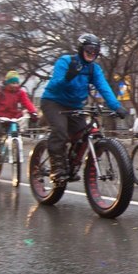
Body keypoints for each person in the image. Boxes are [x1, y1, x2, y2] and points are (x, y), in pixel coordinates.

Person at [41, 33, 128, 182]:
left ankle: (71, 165)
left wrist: (116, 106)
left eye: (96, 51)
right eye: (89, 49)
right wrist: (67, 77)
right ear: (81, 49)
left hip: (75, 105)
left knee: (81, 134)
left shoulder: (94, 69)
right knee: (60, 130)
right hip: (53, 101)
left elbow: (103, 87)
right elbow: (54, 84)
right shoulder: (65, 62)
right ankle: (57, 168)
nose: (92, 53)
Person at [0, 70, 38, 164]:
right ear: (7, 82)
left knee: (16, 132)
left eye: (17, 83)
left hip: (13, 117)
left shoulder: (20, 93)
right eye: (13, 83)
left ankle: (15, 146)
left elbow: (27, 102)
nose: (15, 85)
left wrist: (33, 112)